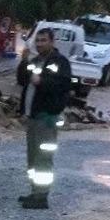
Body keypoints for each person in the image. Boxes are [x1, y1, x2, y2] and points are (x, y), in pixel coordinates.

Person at [16, 28, 71, 209]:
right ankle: (35, 192)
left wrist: (42, 82)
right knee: (33, 158)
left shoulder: (59, 62)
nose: (39, 44)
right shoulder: (36, 61)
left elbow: (62, 85)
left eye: (43, 40)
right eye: (37, 41)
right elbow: (23, 79)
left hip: (46, 119)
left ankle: (41, 197)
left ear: (52, 42)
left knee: (43, 158)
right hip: (33, 118)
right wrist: (24, 61)